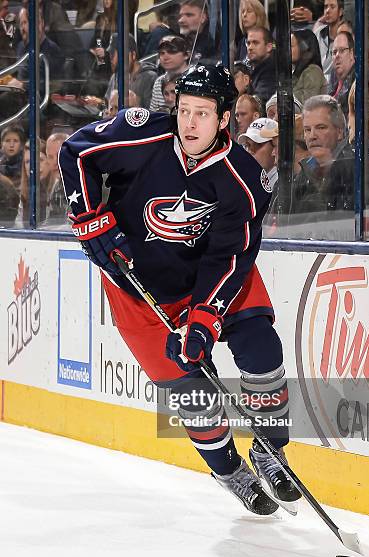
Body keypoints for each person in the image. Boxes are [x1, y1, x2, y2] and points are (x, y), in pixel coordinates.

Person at [59, 64, 301, 516]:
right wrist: (91, 220)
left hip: (211, 277)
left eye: (202, 114)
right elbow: (76, 153)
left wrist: (204, 319)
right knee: (194, 393)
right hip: (137, 287)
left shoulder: (244, 180)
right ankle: (228, 470)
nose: (189, 123)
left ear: (225, 119)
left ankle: (271, 449)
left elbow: (229, 259)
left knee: (260, 346)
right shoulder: (143, 135)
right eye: (184, 111)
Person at [149, 36, 190, 112]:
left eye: (172, 51)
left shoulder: (196, 80)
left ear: (186, 55)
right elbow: (154, 114)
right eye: (162, 53)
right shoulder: (158, 82)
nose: (165, 57)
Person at [238, 117, 279, 189]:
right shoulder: (244, 180)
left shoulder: (283, 184)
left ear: (275, 146)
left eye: (257, 144)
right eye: (247, 145)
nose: (249, 151)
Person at [291, 29, 327, 104]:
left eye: (291, 46)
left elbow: (308, 104)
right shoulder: (298, 72)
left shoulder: (313, 71)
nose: (288, 50)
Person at [314, 0, 344, 83]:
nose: (327, 11)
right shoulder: (318, 33)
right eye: (325, 7)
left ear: (340, 11)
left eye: (332, 7)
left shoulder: (344, 36)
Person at [246, 26, 277, 103]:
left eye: (255, 43)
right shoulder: (256, 68)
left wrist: (239, 93)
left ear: (269, 47)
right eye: (248, 43)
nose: (250, 47)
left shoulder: (271, 70)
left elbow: (258, 103)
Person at [329, 30, 355, 118]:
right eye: (334, 52)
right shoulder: (334, 85)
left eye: (342, 50)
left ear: (352, 53)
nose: (337, 55)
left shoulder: (358, 83)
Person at [0, 124, 25, 189]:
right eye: (7, 141)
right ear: (1, 144)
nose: (11, 145)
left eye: (15, 141)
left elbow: (15, 189)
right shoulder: (2, 160)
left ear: (21, 145)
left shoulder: (25, 162)